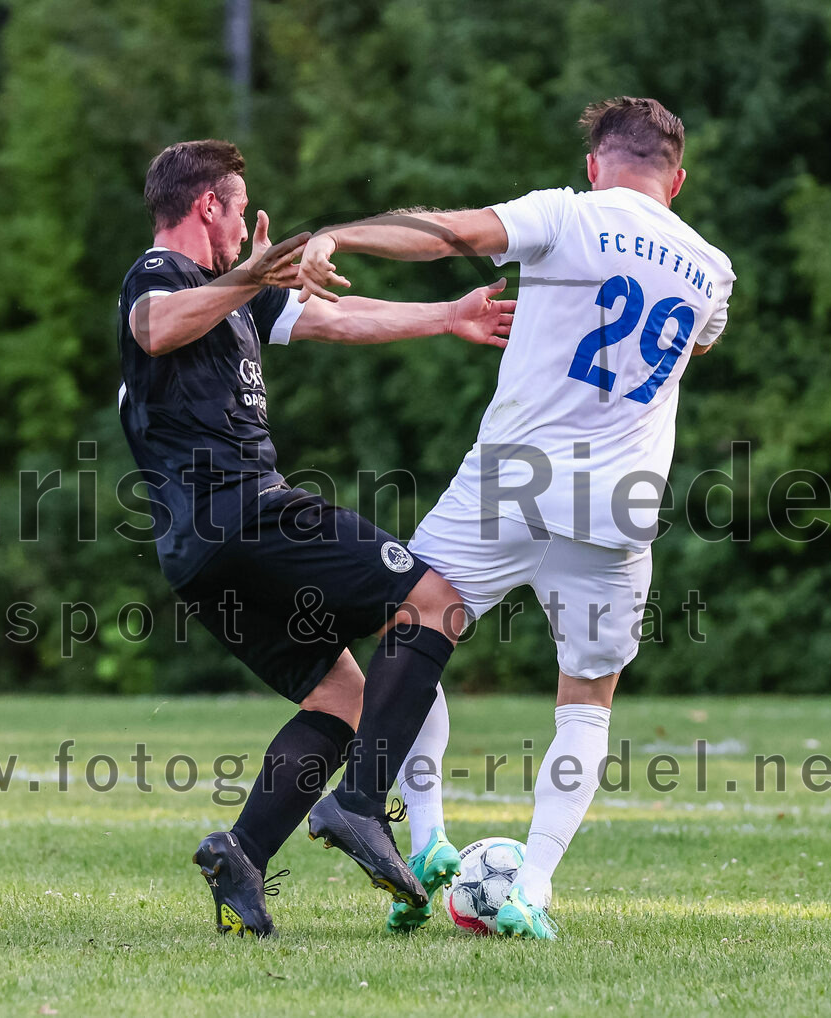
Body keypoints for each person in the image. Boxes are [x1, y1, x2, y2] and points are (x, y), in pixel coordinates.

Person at [298, 97, 735, 939]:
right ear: (676, 181)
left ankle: (426, 839)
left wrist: (344, 233)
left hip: (511, 480)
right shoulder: (711, 268)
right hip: (617, 506)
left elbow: (447, 235)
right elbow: (697, 343)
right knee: (587, 700)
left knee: (416, 625)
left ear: (595, 164)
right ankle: (529, 886)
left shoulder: (564, 216)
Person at [116, 139, 515, 937]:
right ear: (209, 207)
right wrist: (245, 279)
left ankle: (243, 856)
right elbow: (153, 328)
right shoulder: (163, 276)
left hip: (198, 555)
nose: (244, 228)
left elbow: (335, 319)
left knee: (341, 698)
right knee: (434, 602)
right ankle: (361, 805)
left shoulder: (233, 294)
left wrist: (446, 316)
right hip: (245, 512)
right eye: (238, 207)